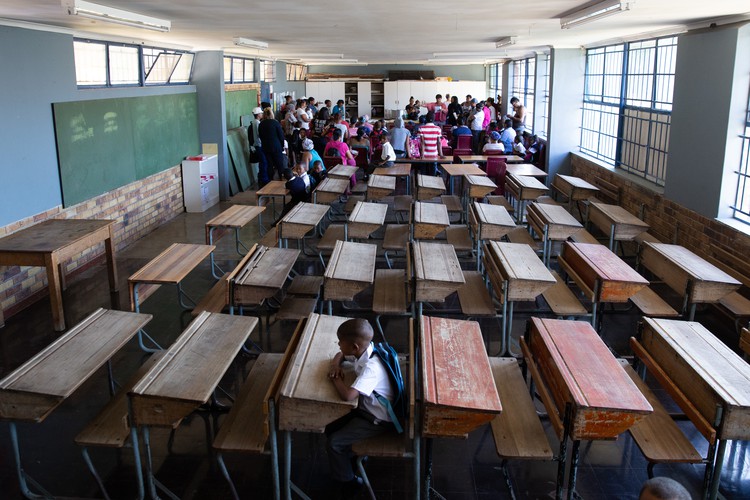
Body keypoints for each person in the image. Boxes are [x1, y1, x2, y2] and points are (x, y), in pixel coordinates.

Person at [325, 319, 396, 496]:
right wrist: (335, 365)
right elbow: (339, 355)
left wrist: (336, 379)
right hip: (367, 409)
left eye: (340, 342)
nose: (339, 345)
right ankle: (350, 458)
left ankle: (349, 482)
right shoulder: (366, 351)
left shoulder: (372, 368)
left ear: (354, 347)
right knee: (329, 426)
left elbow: (348, 395)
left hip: (377, 419)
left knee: (333, 443)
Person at [258, 107, 289, 182]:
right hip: (276, 146)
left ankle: (270, 181)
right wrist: (282, 146)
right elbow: (281, 136)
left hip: (266, 147)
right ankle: (281, 180)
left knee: (269, 165)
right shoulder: (275, 123)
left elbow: (260, 136)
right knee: (279, 165)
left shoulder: (261, 124)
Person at [418, 111, 444, 175]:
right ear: (434, 119)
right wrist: (441, 155)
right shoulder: (438, 129)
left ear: (426, 119)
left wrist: (422, 155)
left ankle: (423, 183)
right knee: (433, 171)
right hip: (434, 154)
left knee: (423, 171)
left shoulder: (421, 128)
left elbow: (422, 143)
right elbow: (439, 142)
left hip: (425, 155)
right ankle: (433, 182)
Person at [248, 106, 267, 187]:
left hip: (257, 145)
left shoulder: (254, 122)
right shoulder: (257, 123)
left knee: (262, 162)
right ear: (258, 114)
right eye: (261, 113)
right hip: (259, 145)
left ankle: (261, 178)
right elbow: (259, 135)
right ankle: (263, 179)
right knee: (263, 162)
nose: (262, 114)